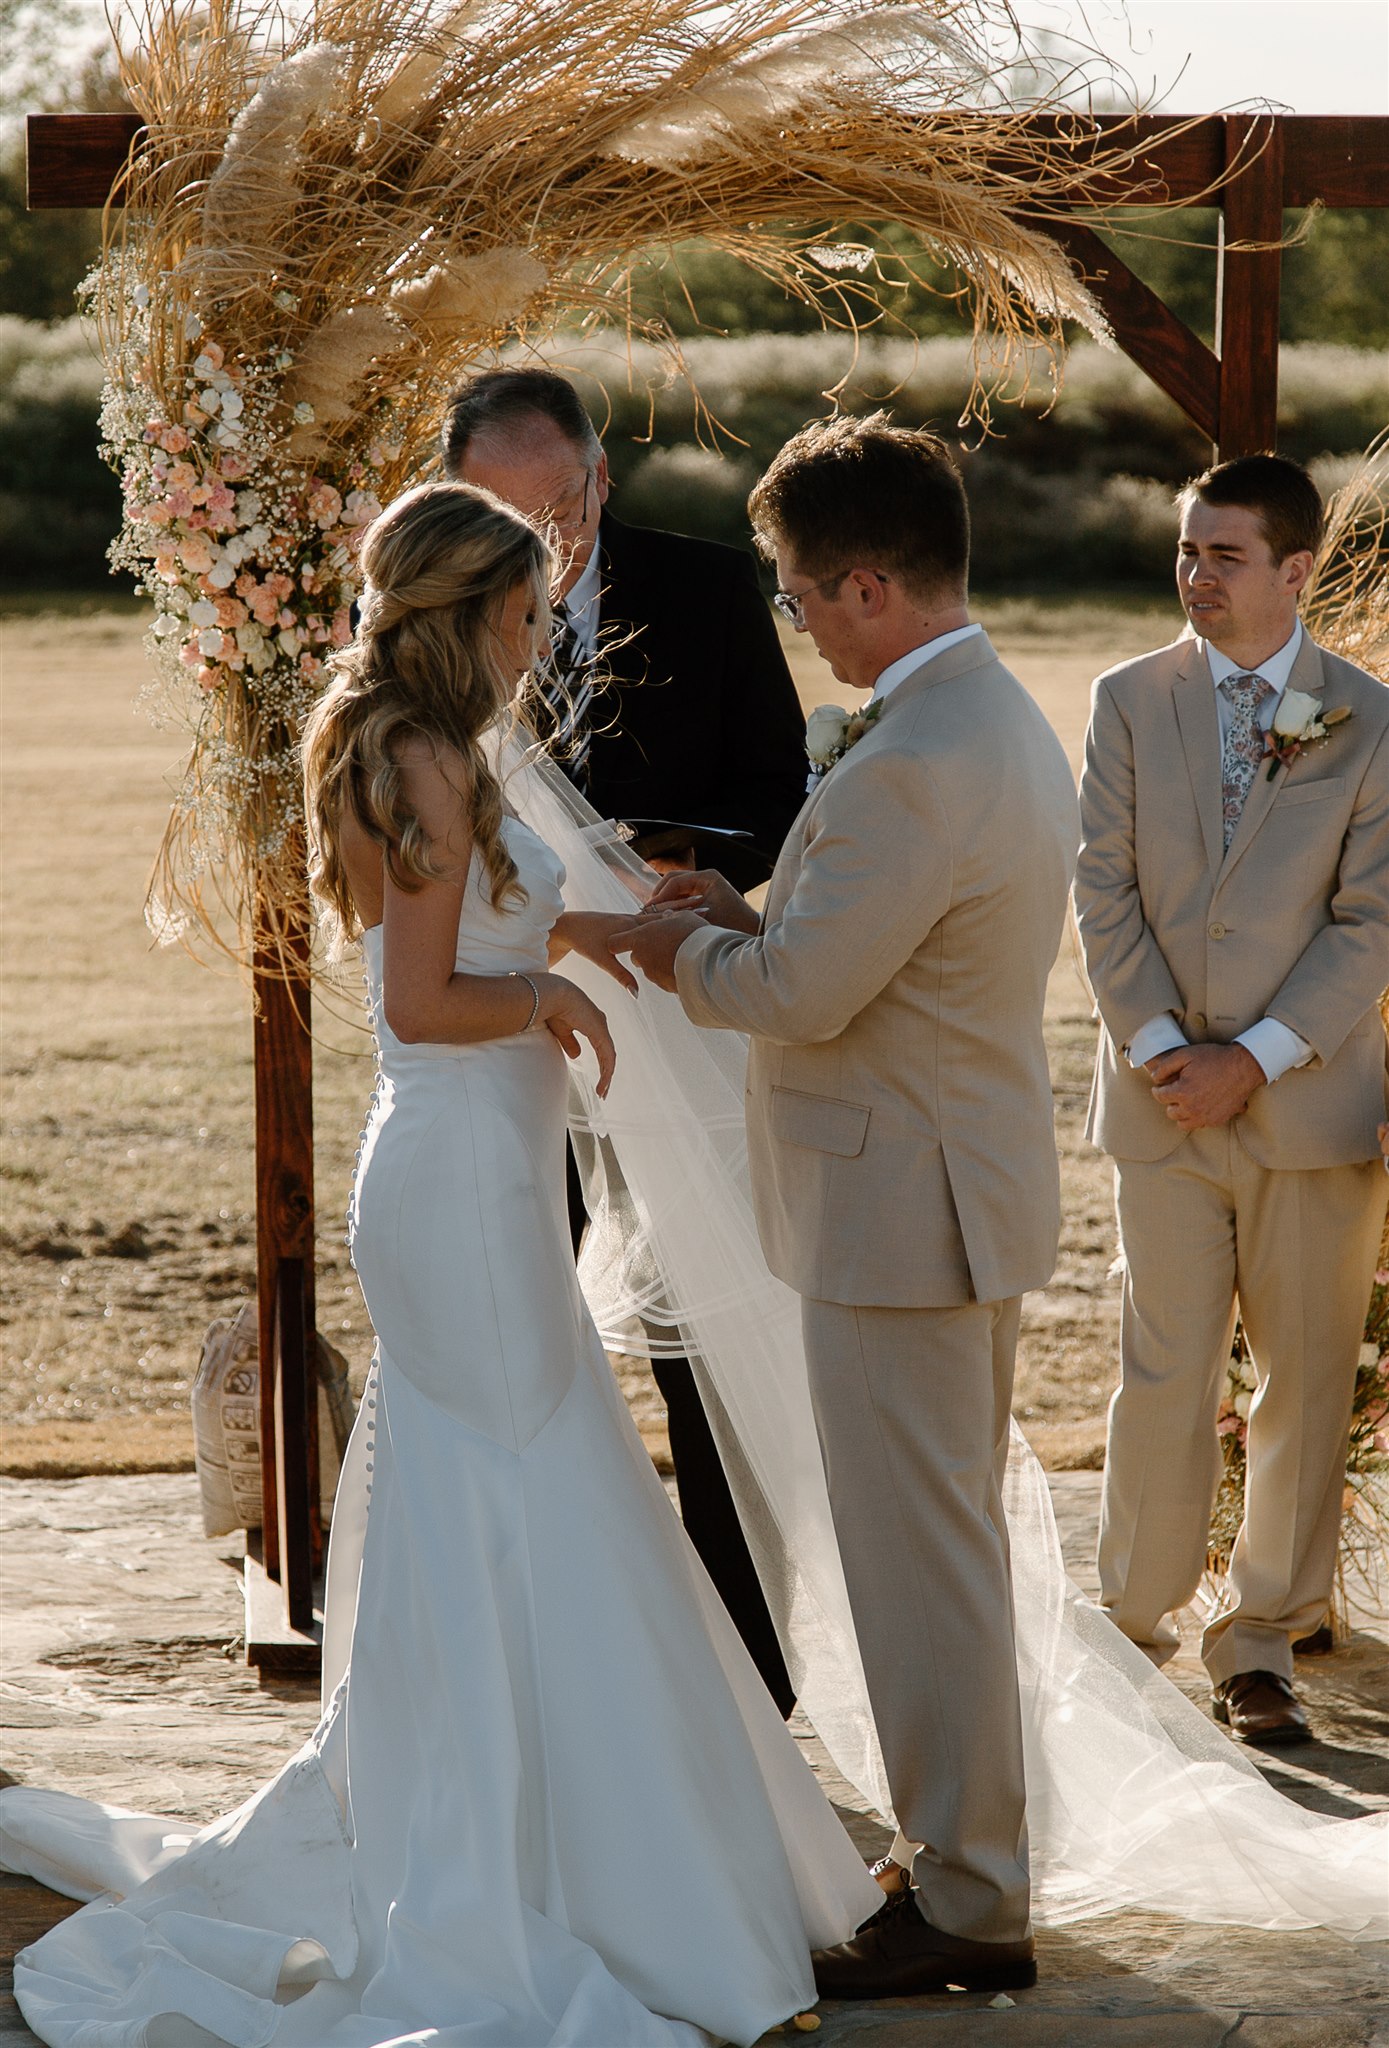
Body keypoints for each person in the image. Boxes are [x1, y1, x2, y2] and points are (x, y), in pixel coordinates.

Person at [0, 481, 879, 2047]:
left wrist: (586, 943)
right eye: (529, 611)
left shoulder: (415, 746)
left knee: (518, 1492)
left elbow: (469, 939)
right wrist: (544, 1000)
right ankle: (535, 1879)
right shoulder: (418, 758)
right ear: (474, 611)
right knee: (522, 1491)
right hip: (462, 1177)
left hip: (461, 1173)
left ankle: (577, 1850)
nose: (541, 636)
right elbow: (419, 1003)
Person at [612, 414, 1081, 2000]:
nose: (793, 622)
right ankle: (960, 1851)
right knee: (933, 1553)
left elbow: (806, 995)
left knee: (917, 1568)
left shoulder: (912, 755)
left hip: (899, 1208)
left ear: (869, 583)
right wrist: (744, 904)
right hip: (943, 1181)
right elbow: (867, 942)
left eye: (799, 595)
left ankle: (968, 1899)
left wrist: (670, 949)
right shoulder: (979, 715)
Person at [444, 366, 805, 1714]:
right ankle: (538, 1661)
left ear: (601, 480)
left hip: (670, 1029)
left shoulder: (707, 588)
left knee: (702, 1352)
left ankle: (746, 1684)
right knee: (517, 1338)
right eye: (503, 512)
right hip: (491, 1052)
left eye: (561, 505)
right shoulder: (425, 629)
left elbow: (780, 796)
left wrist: (675, 864)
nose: (546, 543)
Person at [1073, 453, 1389, 1745]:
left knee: (1304, 1382)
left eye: (1221, 555)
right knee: (1162, 1366)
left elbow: (1370, 926)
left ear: (1295, 569)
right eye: (1185, 552)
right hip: (1158, 1105)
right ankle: (1132, 1614)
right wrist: (1165, 1051)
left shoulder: (1367, 717)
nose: (1193, 576)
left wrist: (1250, 1058)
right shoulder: (1121, 699)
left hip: (1310, 1111)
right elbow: (1098, 892)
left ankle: (1258, 1639)